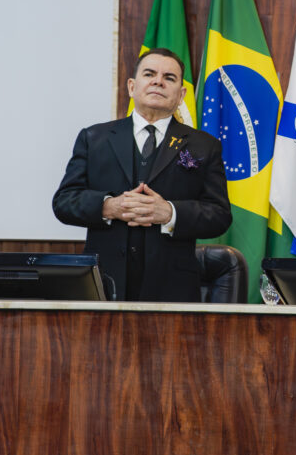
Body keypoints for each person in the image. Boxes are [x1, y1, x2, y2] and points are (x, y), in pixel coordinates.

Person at [53, 48, 231, 301]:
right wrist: (109, 206)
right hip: (103, 284)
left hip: (173, 289)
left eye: (169, 78)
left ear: (181, 95)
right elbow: (64, 202)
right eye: (150, 74)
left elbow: (220, 215)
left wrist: (170, 213)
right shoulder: (94, 138)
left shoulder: (205, 146)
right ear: (132, 86)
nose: (158, 81)